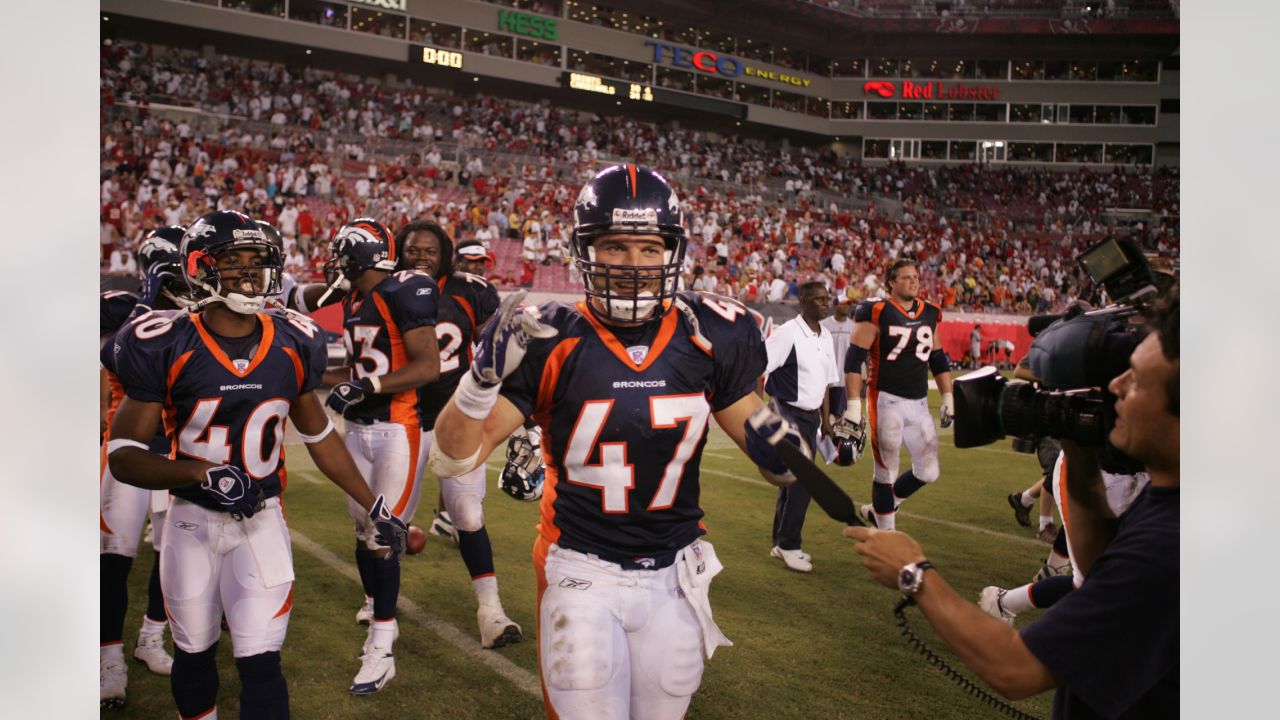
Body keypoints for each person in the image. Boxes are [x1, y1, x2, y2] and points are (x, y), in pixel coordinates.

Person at [429, 164, 797, 719]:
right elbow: (456, 458)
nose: (633, 265)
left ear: (672, 251)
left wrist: (797, 447)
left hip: (675, 571)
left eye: (649, 248)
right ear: (585, 250)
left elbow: (779, 465)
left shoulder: (710, 333)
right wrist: (479, 382)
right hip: (581, 568)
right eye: (615, 246)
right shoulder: (552, 334)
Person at [105, 210, 409, 719]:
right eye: (234, 261)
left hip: (262, 523)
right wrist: (199, 472)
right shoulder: (168, 340)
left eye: (258, 261)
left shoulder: (293, 340)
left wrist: (373, 504)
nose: (249, 273)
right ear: (202, 267)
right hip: (191, 521)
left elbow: (320, 437)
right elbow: (123, 457)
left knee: (262, 663)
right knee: (195, 653)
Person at [845, 288, 1179, 718]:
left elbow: (1016, 669)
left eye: (1136, 380)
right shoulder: (1172, 496)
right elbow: (1098, 568)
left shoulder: (1168, 548)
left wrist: (915, 574)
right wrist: (1077, 447)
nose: (1115, 387)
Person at [320, 217, 441, 694]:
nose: (337, 263)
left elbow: (427, 366)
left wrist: (364, 385)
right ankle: (375, 601)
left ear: (361, 254)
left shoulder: (402, 290)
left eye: (342, 254)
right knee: (362, 527)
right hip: (358, 429)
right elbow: (358, 367)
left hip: (397, 428)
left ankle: (382, 648)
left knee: (386, 533)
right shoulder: (353, 300)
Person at [394, 220, 524, 649]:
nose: (421, 257)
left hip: (456, 420)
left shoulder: (470, 289)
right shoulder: (388, 288)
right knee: (392, 520)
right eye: (413, 249)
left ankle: (491, 611)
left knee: (468, 515)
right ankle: (379, 602)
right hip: (403, 418)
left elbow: (489, 337)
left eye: (430, 250)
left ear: (445, 253)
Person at [98, 227, 190, 708]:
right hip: (129, 449)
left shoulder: (202, 313)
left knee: (171, 556)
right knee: (115, 557)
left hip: (178, 450)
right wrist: (147, 303)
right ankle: (107, 657)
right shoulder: (121, 306)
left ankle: (151, 637)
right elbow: (110, 352)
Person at [836, 259, 954, 530]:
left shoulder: (929, 312)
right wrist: (854, 404)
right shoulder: (877, 311)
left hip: (920, 403)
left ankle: (881, 509)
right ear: (891, 282)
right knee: (885, 471)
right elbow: (854, 360)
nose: (914, 281)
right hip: (886, 400)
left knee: (929, 472)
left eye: (916, 276)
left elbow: (937, 358)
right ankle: (887, 534)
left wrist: (948, 396)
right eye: (906, 277)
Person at [764, 281, 839, 573]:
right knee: (804, 481)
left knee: (791, 482)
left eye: (827, 298)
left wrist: (827, 420)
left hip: (811, 417)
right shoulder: (787, 333)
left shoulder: (826, 335)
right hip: (786, 413)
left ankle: (779, 542)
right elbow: (762, 365)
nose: (825, 303)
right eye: (819, 299)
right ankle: (789, 544)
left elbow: (826, 383)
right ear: (803, 301)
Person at [821, 294, 855, 420]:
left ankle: (836, 439)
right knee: (824, 414)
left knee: (839, 415)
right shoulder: (824, 324)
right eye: (843, 304)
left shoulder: (853, 326)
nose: (846, 307)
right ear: (835, 305)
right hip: (826, 375)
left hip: (844, 376)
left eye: (848, 304)